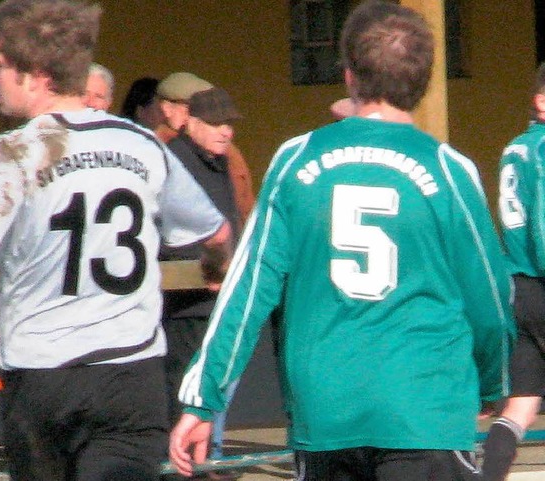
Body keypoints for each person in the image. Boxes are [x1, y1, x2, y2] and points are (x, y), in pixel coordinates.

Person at [169, 2, 516, 480]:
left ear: (349, 77)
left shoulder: (295, 161)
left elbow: (247, 288)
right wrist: (493, 378)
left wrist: (203, 397)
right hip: (424, 407)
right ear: (425, 79)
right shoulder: (450, 171)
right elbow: (491, 299)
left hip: (327, 410)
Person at [0, 1, 232, 480]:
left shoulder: (19, 149)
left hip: (46, 378)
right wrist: (215, 265)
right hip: (132, 374)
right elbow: (216, 231)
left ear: (36, 74)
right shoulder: (140, 144)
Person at [161, 87, 243, 480]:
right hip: (185, 306)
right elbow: (164, 233)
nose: (226, 131)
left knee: (212, 393)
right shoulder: (176, 161)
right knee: (185, 396)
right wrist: (208, 266)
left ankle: (206, 462)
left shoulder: (216, 161)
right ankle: (185, 470)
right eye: (216, 123)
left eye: (229, 124)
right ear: (189, 121)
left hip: (217, 303)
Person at [481, 61, 545, 481]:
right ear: (541, 100)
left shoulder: (514, 147)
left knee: (520, 405)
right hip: (540, 281)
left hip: (516, 288)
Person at [156, 72, 255, 228]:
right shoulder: (156, 149)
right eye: (191, 107)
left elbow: (244, 207)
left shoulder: (226, 151)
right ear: (167, 109)